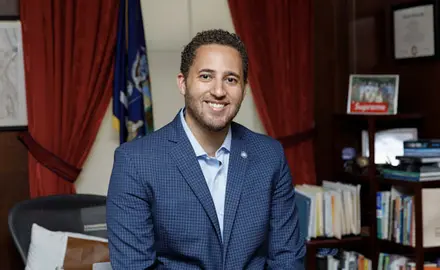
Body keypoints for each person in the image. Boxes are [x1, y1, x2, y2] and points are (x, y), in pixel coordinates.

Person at [106, 29, 306, 270]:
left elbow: (287, 259)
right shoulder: (136, 162)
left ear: (244, 88)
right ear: (183, 83)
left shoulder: (270, 156)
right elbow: (134, 267)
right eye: (206, 76)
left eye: (231, 79)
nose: (219, 91)